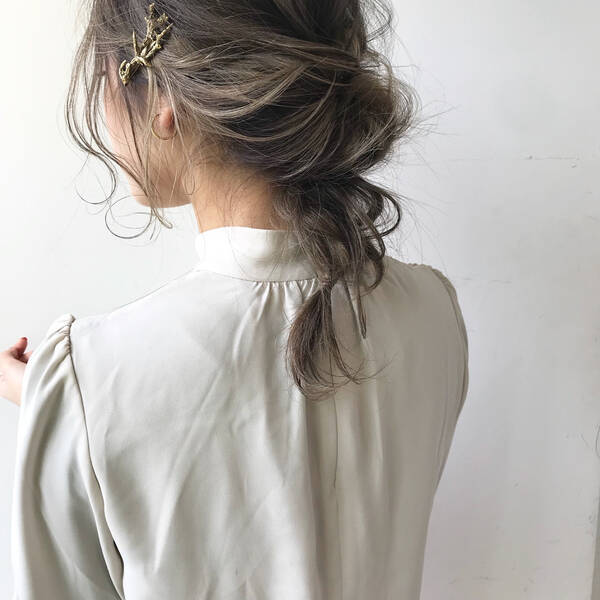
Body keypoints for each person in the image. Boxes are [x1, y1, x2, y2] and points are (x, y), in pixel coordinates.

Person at [1, 1, 469, 598]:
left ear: (163, 99)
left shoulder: (92, 378)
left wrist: (76, 408)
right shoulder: (434, 311)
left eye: (105, 76)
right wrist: (71, 408)